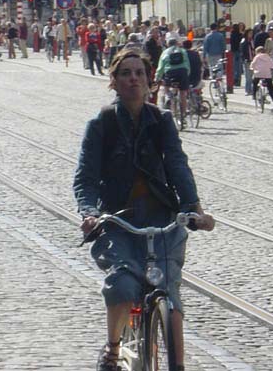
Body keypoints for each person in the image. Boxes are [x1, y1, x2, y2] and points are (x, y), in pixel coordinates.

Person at [73, 49, 214, 371]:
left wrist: (193, 209)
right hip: (118, 222)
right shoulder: (102, 124)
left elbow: (177, 165)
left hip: (162, 219)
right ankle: (112, 349)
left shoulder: (161, 120)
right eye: (126, 73)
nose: (133, 78)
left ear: (150, 80)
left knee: (169, 288)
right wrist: (90, 213)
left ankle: (176, 365)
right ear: (114, 82)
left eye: (139, 72)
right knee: (123, 284)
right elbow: (86, 177)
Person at [155, 38, 191, 128]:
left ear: (167, 44)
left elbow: (160, 67)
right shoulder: (182, 51)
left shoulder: (165, 52)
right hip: (182, 72)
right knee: (183, 93)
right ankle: (183, 115)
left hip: (170, 72)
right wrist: (187, 73)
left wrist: (157, 78)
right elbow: (187, 63)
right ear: (176, 43)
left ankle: (168, 97)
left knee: (167, 87)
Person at [250, 46, 273, 110]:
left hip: (258, 73)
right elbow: (272, 65)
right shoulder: (268, 57)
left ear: (257, 52)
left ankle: (254, 95)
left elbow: (252, 65)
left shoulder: (257, 57)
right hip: (267, 74)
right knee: (271, 88)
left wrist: (252, 68)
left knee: (255, 83)